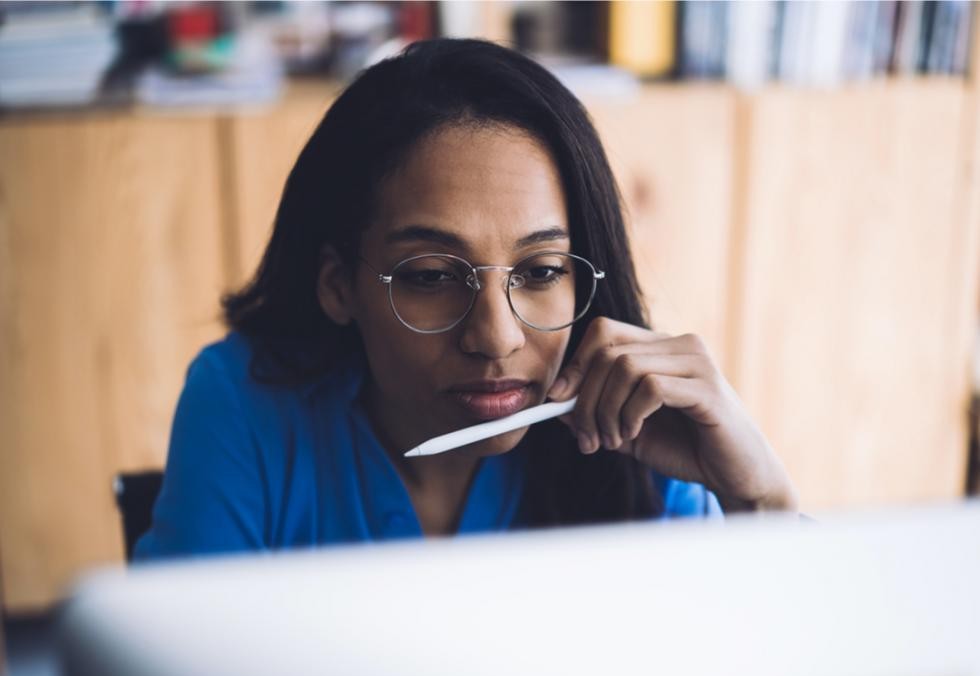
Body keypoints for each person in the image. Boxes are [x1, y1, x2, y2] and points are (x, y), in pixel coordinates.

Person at [134, 38, 798, 560]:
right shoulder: (243, 406)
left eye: (539, 271)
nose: (496, 335)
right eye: (430, 276)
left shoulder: (638, 422)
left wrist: (759, 496)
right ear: (339, 285)